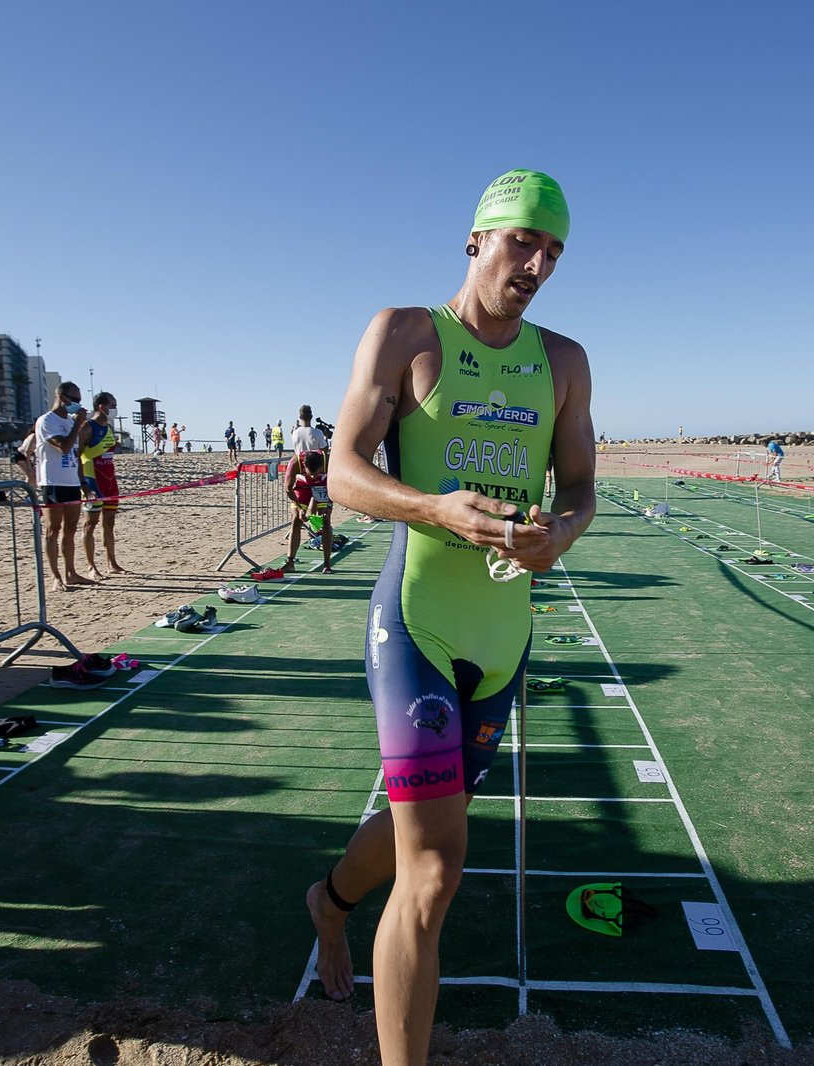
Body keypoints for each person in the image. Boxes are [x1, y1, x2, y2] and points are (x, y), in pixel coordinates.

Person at [305, 169, 595, 1065]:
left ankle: (329, 904)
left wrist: (564, 534)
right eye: (522, 241)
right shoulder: (405, 334)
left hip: (503, 635)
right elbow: (341, 475)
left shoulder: (564, 360)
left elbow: (581, 488)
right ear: (476, 240)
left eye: (552, 250)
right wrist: (436, 509)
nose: (536, 262)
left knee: (416, 830)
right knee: (434, 869)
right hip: (419, 624)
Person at [35, 383, 93, 591]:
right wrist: (78, 426)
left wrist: (84, 485)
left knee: (70, 529)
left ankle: (71, 572)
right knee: (52, 530)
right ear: (62, 397)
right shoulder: (46, 421)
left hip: (71, 482)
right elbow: (63, 447)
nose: (77, 404)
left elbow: (74, 456)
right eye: (74, 399)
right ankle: (55, 576)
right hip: (52, 483)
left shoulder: (70, 422)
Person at [78, 391, 129, 577]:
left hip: (109, 479)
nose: (115, 409)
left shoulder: (108, 428)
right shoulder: (86, 427)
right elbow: (78, 457)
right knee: (89, 524)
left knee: (109, 522)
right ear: (102, 406)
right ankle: (91, 567)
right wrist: (83, 484)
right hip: (93, 480)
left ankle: (112, 563)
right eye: (113, 405)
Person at [283, 448, 333, 573]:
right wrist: (299, 508)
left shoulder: (329, 461)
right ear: (304, 466)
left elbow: (337, 485)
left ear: (321, 466)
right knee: (296, 519)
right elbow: (288, 488)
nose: (313, 476)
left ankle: (327, 563)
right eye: (310, 473)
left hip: (324, 485)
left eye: (316, 474)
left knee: (326, 521)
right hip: (302, 486)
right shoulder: (294, 463)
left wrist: (329, 506)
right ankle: (290, 562)